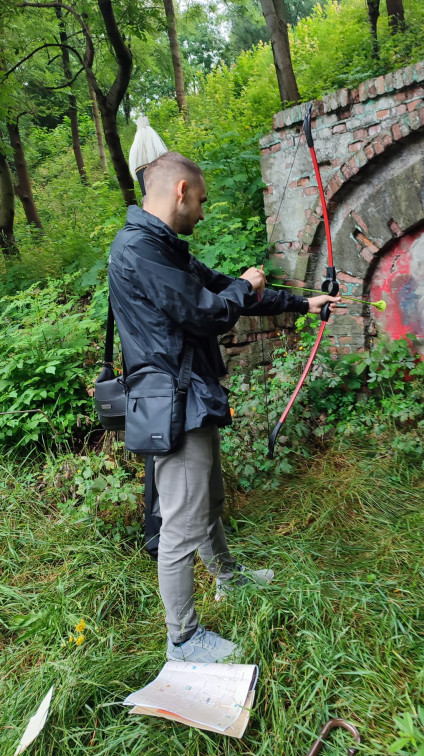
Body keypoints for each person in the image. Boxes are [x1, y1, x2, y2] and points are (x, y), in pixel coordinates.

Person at [108, 152, 339, 664]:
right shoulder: (140, 249)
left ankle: (229, 580)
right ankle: (184, 639)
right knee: (181, 527)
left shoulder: (162, 246)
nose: (204, 212)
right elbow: (208, 311)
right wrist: (244, 285)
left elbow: (217, 290)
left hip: (190, 395)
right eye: (203, 201)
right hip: (172, 400)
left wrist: (300, 304)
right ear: (182, 190)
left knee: (207, 503)